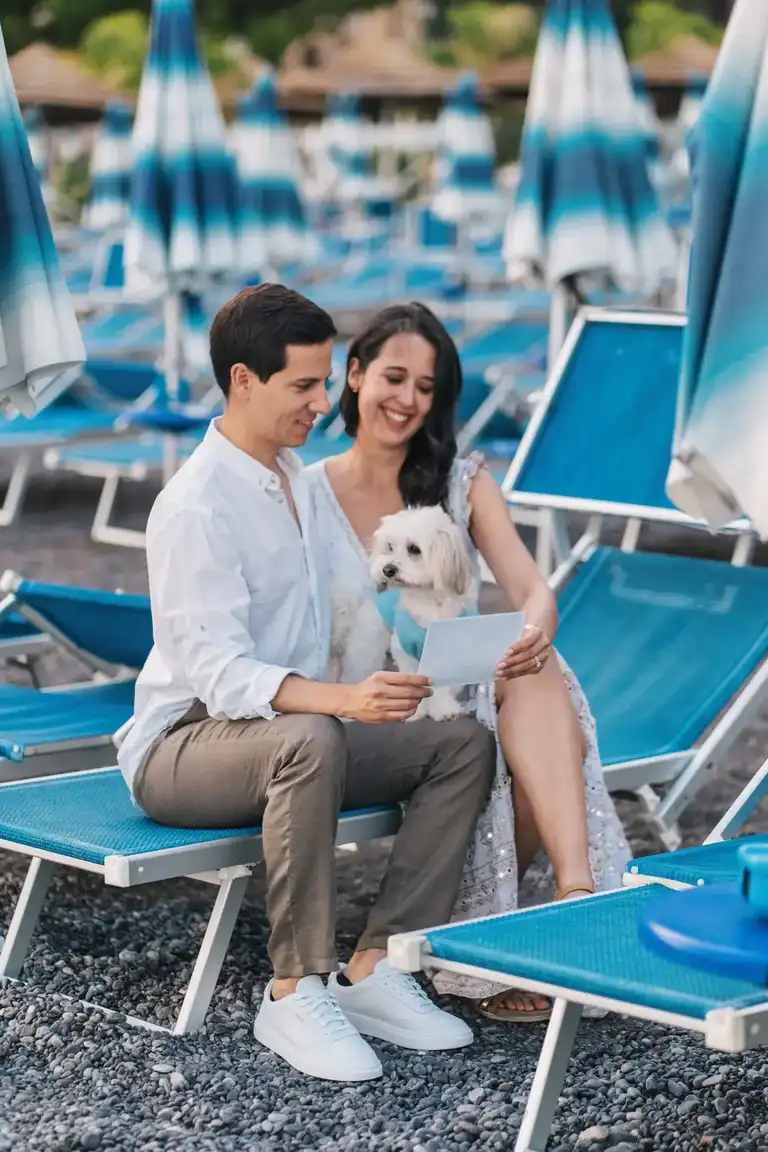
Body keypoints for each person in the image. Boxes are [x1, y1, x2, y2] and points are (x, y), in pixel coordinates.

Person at [114, 284, 496, 1083]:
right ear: (244, 381)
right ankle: (293, 988)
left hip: (294, 733)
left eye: (327, 382)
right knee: (312, 734)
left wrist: (424, 655)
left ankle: (378, 967)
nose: (325, 403)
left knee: (459, 745)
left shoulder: (298, 480)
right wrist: (342, 702)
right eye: (304, 386)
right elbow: (219, 675)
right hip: (182, 747)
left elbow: (358, 599)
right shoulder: (195, 505)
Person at [305, 302, 631, 1023]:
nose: (408, 401)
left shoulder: (461, 480)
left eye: (427, 388)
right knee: (486, 740)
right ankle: (502, 931)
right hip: (358, 705)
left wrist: (534, 632)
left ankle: (571, 904)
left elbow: (530, 588)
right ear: (354, 375)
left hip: (461, 692)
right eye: (395, 377)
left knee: (537, 668)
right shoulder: (306, 491)